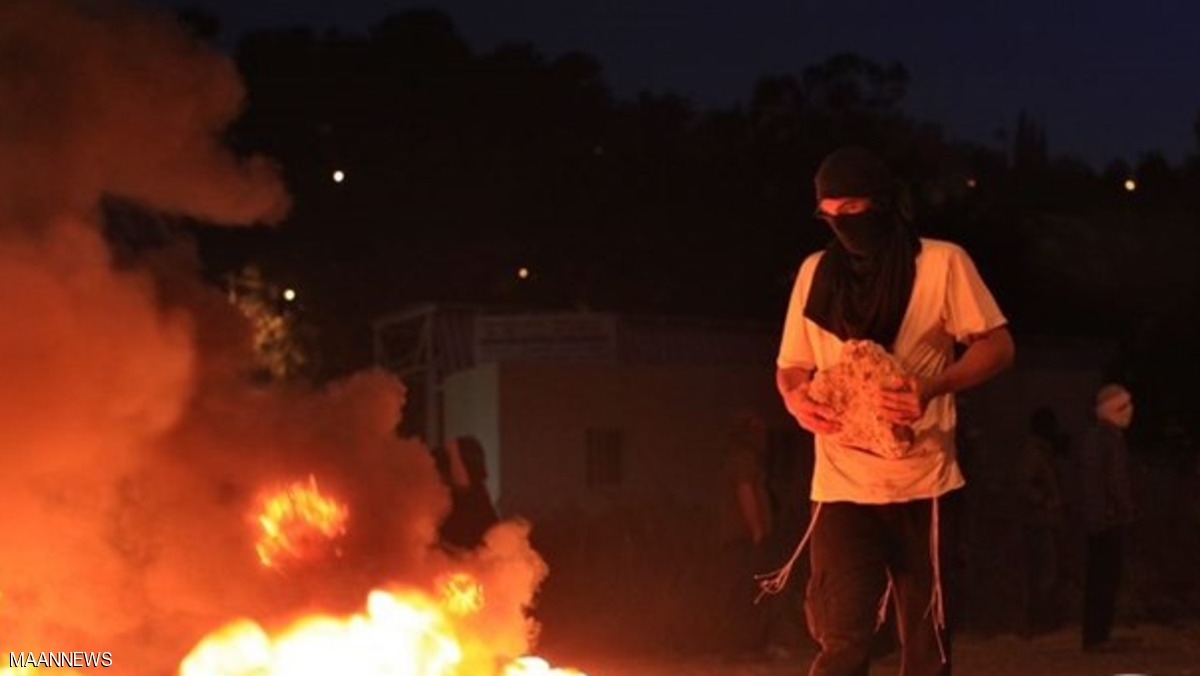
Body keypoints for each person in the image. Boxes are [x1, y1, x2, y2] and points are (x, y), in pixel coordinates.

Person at [768, 145, 1015, 676]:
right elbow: (791, 365)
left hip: (925, 483)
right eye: (829, 215)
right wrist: (795, 400)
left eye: (852, 210)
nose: (842, 225)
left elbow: (997, 346)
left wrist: (932, 386)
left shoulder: (941, 263)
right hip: (841, 485)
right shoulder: (815, 273)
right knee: (841, 639)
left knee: (927, 648)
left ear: (882, 203)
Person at [1078, 383, 1135, 651]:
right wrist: (1125, 509)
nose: (1130, 411)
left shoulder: (1094, 436)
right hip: (1108, 518)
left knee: (1097, 577)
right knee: (1105, 578)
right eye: (1124, 406)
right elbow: (1115, 479)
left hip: (1095, 518)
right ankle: (1098, 637)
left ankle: (1096, 635)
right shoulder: (1110, 438)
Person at [1011, 406, 1067, 637]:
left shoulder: (1041, 452)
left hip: (1042, 520)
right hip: (1037, 521)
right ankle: (1036, 621)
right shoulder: (1034, 453)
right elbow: (1022, 483)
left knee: (1042, 572)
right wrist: (1044, 500)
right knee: (1043, 573)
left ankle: (1038, 620)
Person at [435, 434, 501, 552]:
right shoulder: (474, 492)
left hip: (477, 554)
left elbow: (462, 485)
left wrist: (452, 451)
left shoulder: (474, 494)